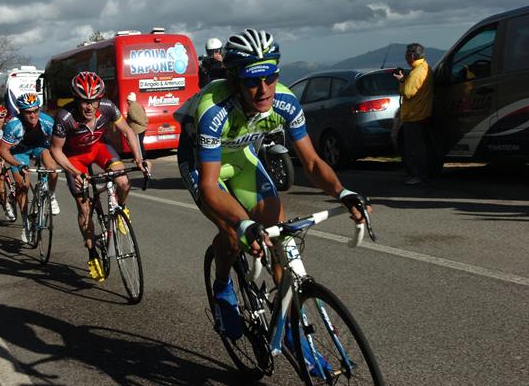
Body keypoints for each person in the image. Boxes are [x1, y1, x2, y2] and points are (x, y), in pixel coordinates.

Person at [176, 28, 371, 377]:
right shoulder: (213, 110)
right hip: (204, 164)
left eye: (270, 77)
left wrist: (343, 192)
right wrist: (244, 223)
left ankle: (293, 330)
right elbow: (209, 186)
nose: (263, 89)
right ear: (235, 79)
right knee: (235, 234)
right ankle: (223, 286)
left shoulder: (284, 101)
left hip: (242, 158)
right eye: (252, 81)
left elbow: (311, 162)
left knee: (281, 237)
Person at [50, 71, 150, 282]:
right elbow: (56, 150)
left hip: (98, 149)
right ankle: (92, 252)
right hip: (75, 159)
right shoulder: (64, 117)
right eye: (84, 101)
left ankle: (120, 207)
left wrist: (139, 159)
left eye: (93, 101)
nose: (89, 106)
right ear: (76, 100)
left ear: (99, 99)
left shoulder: (108, 108)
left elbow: (128, 132)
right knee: (85, 208)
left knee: (123, 181)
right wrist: (73, 172)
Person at [0, 93, 61, 243]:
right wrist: (17, 164)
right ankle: (26, 222)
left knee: (52, 168)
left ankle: (51, 195)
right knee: (23, 185)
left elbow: (56, 144)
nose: (33, 115)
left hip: (39, 147)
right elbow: (3, 150)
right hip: (19, 152)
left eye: (35, 111)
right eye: (28, 112)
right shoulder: (13, 125)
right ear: (21, 112)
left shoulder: (47, 121)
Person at [393, 43, 434, 185]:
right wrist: (405, 79)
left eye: (406, 54)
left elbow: (407, 93)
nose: (405, 57)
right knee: (420, 146)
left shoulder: (416, 72)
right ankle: (422, 174)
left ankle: (417, 175)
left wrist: (401, 82)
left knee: (413, 148)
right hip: (421, 113)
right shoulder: (424, 68)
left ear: (411, 55)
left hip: (414, 115)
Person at [125, 92, 148, 158]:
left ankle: (142, 157)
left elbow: (134, 117)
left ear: (130, 100)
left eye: (127, 100)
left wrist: (142, 123)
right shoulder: (138, 105)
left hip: (137, 129)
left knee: (138, 144)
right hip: (142, 128)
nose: (127, 102)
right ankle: (141, 157)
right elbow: (144, 114)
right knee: (140, 143)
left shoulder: (131, 108)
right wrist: (145, 122)